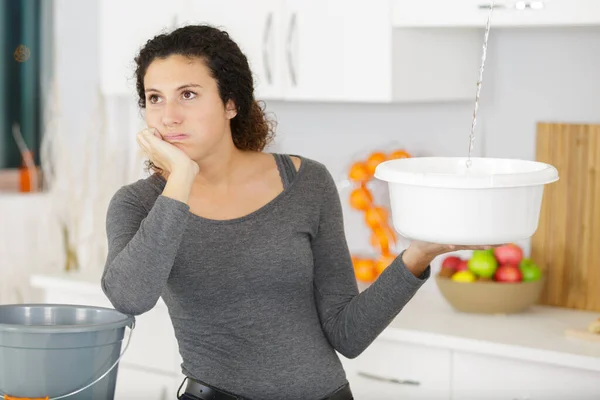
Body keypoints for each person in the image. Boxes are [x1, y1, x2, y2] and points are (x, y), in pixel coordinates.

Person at [101, 24, 495, 400]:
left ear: (230, 103)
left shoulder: (307, 183)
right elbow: (130, 297)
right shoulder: (138, 204)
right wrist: (182, 176)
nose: (168, 115)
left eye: (187, 94)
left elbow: (347, 334)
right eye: (155, 98)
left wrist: (418, 255)